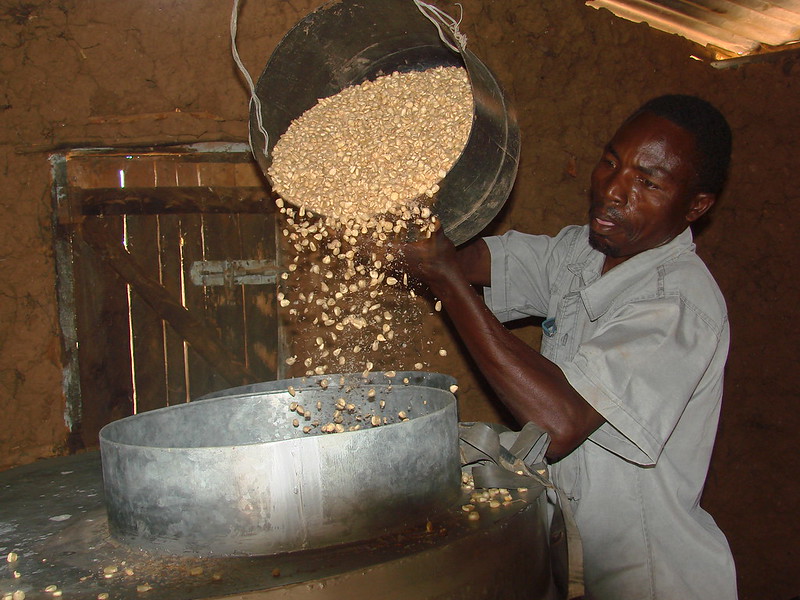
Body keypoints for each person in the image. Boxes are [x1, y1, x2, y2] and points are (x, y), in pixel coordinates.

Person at [395, 95, 738, 599]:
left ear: (695, 206)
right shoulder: (582, 251)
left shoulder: (678, 304)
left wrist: (446, 280)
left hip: (648, 580)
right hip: (575, 565)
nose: (613, 191)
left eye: (647, 182)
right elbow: (473, 259)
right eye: (611, 162)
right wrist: (403, 225)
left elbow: (560, 424)